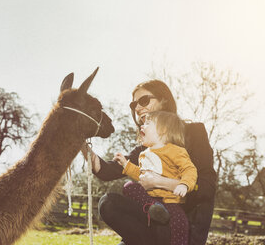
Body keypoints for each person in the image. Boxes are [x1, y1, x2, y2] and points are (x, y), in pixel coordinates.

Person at [81, 80, 217, 245]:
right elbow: (107, 170)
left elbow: (207, 188)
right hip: (151, 227)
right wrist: (79, 140)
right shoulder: (145, 150)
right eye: (133, 105)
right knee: (108, 203)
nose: (137, 108)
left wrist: (163, 183)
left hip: (182, 227)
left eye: (143, 101)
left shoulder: (194, 133)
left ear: (164, 100)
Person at [114, 111, 197, 245]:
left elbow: (190, 170)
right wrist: (126, 164)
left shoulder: (175, 151)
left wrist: (184, 184)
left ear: (162, 130)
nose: (142, 126)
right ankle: (154, 207)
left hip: (170, 201)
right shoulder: (144, 154)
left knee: (180, 223)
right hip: (151, 199)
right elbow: (142, 176)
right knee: (128, 186)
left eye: (147, 123)